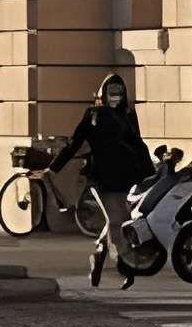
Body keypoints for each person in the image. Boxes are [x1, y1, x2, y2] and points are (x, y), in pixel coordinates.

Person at [51, 72, 155, 290]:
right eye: (111, 92)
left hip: (127, 176)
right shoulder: (93, 115)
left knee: (118, 220)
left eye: (119, 92)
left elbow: (138, 145)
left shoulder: (127, 116)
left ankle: (99, 253)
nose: (115, 97)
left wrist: (148, 174)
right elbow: (74, 144)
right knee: (117, 221)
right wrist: (54, 167)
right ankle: (125, 266)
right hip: (104, 177)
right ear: (102, 95)